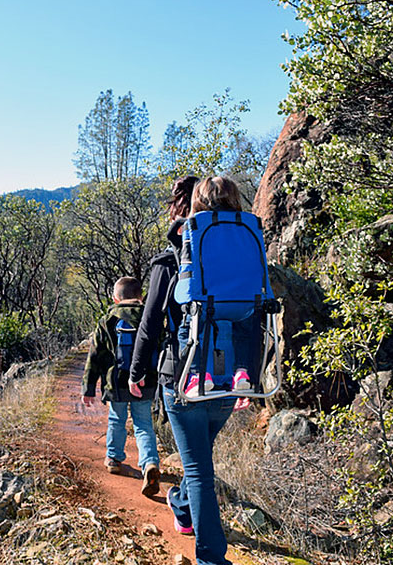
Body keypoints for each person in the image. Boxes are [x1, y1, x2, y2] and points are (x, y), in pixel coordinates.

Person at [130, 175, 258, 565]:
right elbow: (251, 322)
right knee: (198, 457)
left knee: (199, 467)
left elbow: (150, 323)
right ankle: (182, 507)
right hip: (229, 381)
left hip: (182, 378)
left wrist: (137, 371)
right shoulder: (246, 258)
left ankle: (211, 558)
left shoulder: (170, 262)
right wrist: (247, 376)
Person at [81, 276, 161, 497]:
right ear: (141, 296)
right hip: (146, 381)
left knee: (117, 419)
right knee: (143, 424)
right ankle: (150, 463)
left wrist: (88, 388)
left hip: (115, 383)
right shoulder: (150, 316)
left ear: (116, 298)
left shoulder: (108, 320)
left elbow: (95, 355)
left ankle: (114, 458)